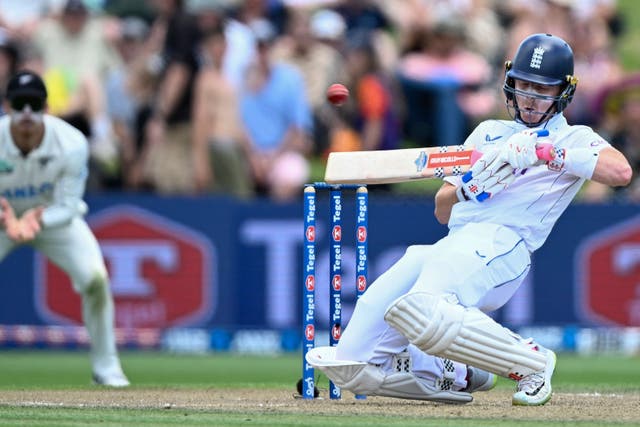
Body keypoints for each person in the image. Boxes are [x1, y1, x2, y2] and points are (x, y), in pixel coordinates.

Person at [306, 33, 632, 406]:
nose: (528, 96)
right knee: (353, 363)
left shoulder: (575, 137)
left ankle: (533, 363)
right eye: (523, 85)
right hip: (455, 243)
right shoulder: (488, 132)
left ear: (564, 92)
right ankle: (460, 373)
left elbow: (619, 172)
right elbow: (442, 210)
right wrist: (468, 188)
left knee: (425, 305)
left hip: (505, 245)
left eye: (541, 89)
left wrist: (546, 151)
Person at [0, 70, 129, 387]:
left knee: (95, 279)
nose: (26, 113)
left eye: (34, 104)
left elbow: (70, 205)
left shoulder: (71, 143)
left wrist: (35, 220)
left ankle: (107, 368)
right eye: (19, 104)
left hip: (52, 219)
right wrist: (6, 219)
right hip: (3, 220)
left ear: (46, 108)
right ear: (7, 107)